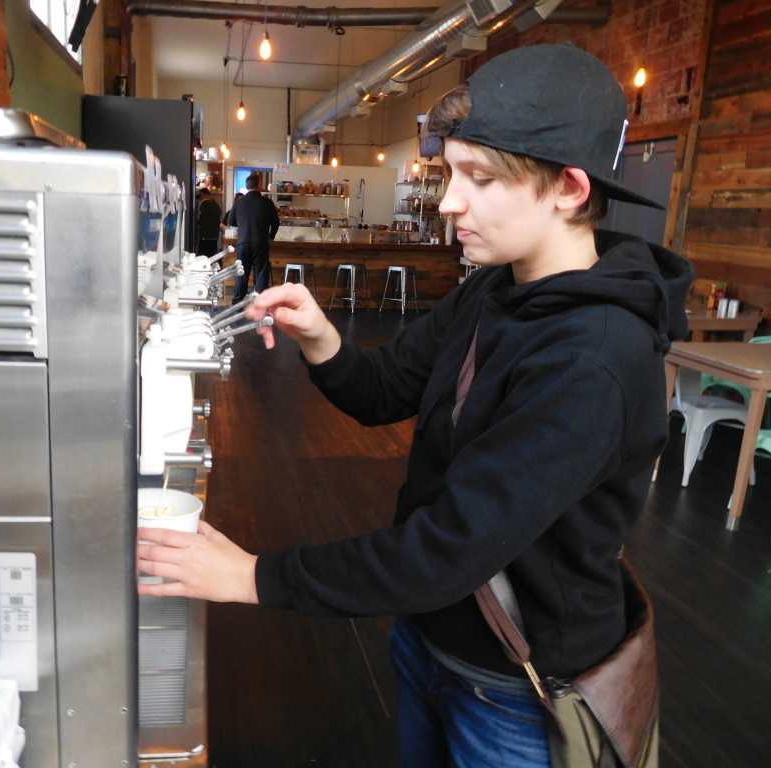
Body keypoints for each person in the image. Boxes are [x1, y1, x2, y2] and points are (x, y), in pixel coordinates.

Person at [138, 43, 693, 768]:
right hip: (429, 640)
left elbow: (446, 550)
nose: (448, 201)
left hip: (516, 691)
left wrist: (252, 576)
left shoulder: (594, 357)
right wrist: (321, 336)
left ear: (568, 190)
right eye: (450, 173)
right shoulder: (492, 289)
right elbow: (380, 391)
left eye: (479, 177)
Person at [226, 172, 280, 303]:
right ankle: (261, 303)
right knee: (261, 274)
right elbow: (276, 222)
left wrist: (243, 223)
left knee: (242, 273)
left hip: (243, 243)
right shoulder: (267, 202)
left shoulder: (239, 203)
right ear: (259, 184)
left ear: (247, 186)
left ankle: (237, 302)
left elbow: (231, 221)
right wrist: (271, 236)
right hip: (261, 243)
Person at [195, 185, 222, 257]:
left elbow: (201, 219)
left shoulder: (205, 203)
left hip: (205, 238)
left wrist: (196, 225)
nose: (199, 199)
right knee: (210, 259)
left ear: (202, 194)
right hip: (214, 237)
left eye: (199, 197)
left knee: (203, 259)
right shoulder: (216, 204)